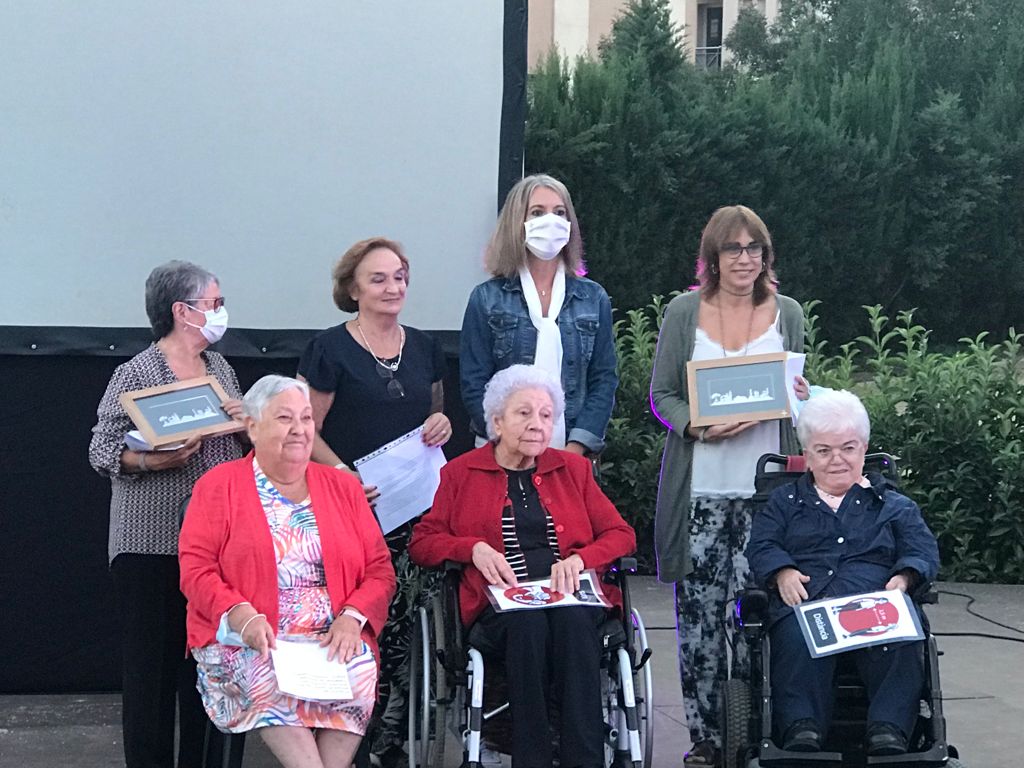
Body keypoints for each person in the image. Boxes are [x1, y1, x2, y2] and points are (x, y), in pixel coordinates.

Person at [409, 365, 636, 768]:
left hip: (571, 598)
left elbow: (621, 535)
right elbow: (423, 543)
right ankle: (530, 757)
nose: (537, 424)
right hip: (499, 606)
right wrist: (472, 548)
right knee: (527, 626)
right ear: (496, 421)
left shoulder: (574, 470)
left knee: (573, 623)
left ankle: (583, 760)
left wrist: (581, 559)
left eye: (546, 415)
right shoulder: (460, 473)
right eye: (524, 413)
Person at [648, 205, 806, 766]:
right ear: (712, 257)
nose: (745, 259)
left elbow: (796, 397)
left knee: (757, 614)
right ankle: (706, 739)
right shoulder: (682, 312)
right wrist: (696, 423)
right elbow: (661, 395)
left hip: (766, 494)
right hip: (700, 495)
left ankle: (753, 732)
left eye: (754, 248)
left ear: (766, 256)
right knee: (699, 623)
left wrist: (800, 397)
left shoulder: (787, 313)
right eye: (733, 249)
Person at [179, 375, 396, 767]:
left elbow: (380, 569)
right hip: (251, 637)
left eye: (307, 418)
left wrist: (352, 618)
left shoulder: (344, 488)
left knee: (360, 669)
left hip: (332, 634)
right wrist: (240, 615)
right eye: (284, 418)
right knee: (267, 673)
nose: (299, 429)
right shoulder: (218, 486)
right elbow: (196, 568)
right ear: (252, 427)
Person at [296, 236, 450, 766]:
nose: (392, 287)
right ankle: (343, 742)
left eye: (400, 276)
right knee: (356, 627)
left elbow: (433, 416)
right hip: (345, 512)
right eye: (379, 278)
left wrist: (442, 422)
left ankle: (393, 741)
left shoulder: (426, 347)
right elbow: (302, 428)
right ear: (353, 289)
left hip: (413, 515)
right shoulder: (328, 349)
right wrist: (341, 475)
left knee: (407, 631)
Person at [88, 260, 245, 768]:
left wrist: (250, 426)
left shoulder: (221, 370)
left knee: (207, 669)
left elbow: (243, 453)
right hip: (149, 544)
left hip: (216, 546)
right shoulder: (134, 372)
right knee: (151, 676)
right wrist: (151, 459)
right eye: (214, 304)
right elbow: (101, 450)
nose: (221, 313)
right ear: (183, 311)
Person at [746, 389, 940, 756]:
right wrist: (783, 571)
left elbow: (921, 549)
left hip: (874, 602)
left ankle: (889, 728)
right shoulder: (784, 504)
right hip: (808, 603)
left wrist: (906, 577)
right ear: (807, 456)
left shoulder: (894, 506)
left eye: (848, 448)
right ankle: (802, 727)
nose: (837, 459)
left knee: (902, 637)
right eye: (824, 450)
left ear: (863, 450)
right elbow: (761, 546)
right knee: (796, 637)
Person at [460, 174, 617, 456]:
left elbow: (603, 380)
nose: (551, 220)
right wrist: (509, 440)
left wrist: (577, 446)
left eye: (559, 212)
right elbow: (474, 383)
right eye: (537, 212)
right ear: (517, 222)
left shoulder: (593, 298)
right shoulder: (486, 298)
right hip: (502, 453)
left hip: (571, 453)